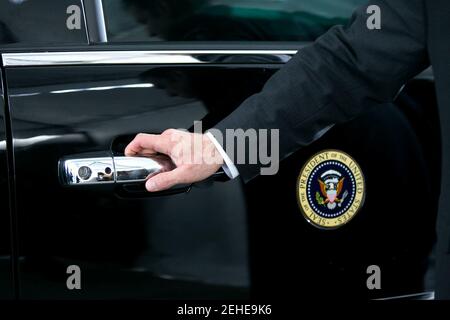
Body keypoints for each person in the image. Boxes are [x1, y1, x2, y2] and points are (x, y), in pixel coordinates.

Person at [125, 0, 450, 298]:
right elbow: (350, 61)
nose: (150, 31)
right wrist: (219, 146)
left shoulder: (206, 30)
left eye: (146, 18)